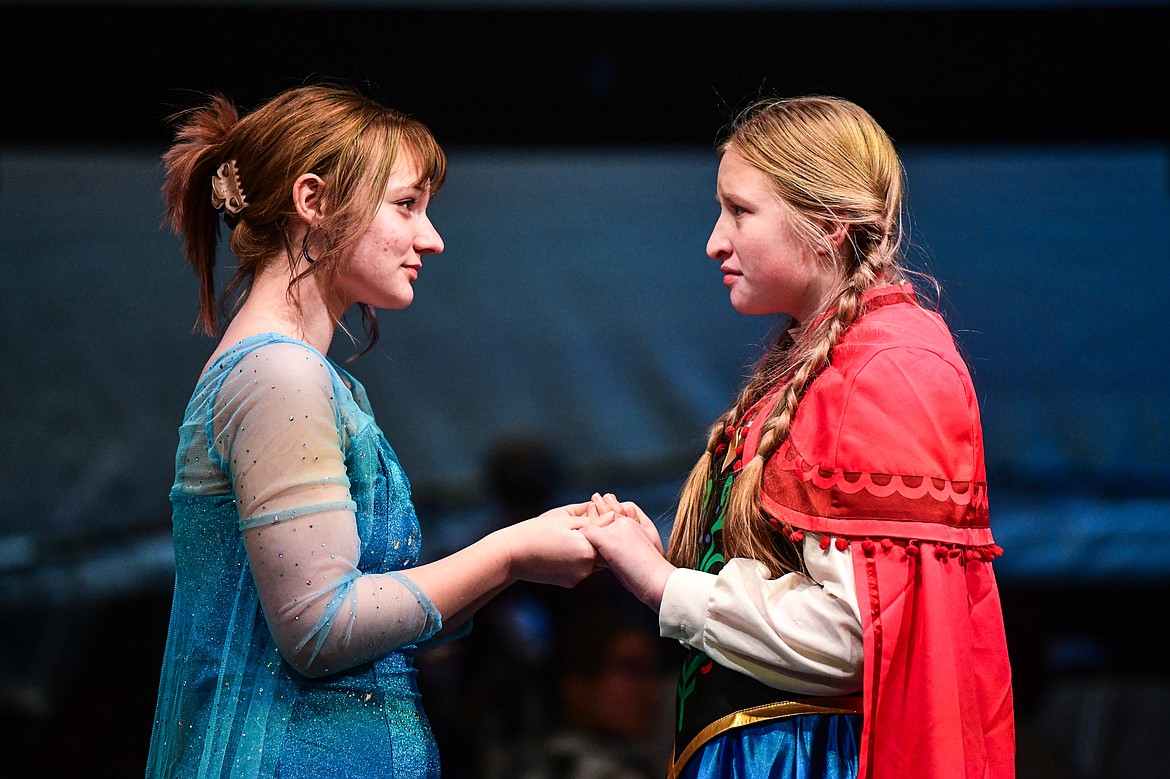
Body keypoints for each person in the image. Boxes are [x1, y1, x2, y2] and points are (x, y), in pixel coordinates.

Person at [145, 84, 608, 779]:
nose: (432, 236)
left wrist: (534, 544)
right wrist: (510, 553)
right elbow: (319, 627)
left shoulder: (306, 377)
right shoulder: (280, 374)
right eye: (407, 205)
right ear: (313, 201)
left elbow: (377, 615)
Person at [580, 96, 1015, 779]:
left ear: (829, 221)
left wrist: (669, 588)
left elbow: (858, 634)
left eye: (740, 211)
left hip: (803, 758)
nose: (714, 241)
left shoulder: (888, 366)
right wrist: (666, 557)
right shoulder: (824, 357)